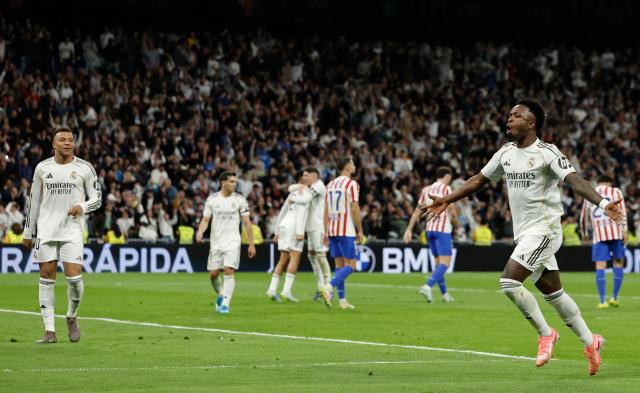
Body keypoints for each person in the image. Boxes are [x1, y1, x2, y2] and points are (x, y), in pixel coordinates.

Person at [420, 99, 623, 376]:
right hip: (525, 234)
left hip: (545, 230)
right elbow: (479, 179)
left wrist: (601, 203)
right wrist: (447, 199)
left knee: (508, 282)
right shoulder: (505, 153)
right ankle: (591, 342)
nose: (509, 119)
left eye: (516, 115)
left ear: (531, 123)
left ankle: (546, 334)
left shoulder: (547, 153)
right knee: (555, 295)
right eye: (509, 115)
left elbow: (574, 179)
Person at [23, 127, 102, 344]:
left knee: (74, 279)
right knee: (46, 277)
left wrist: (82, 206)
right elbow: (35, 201)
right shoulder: (42, 168)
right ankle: (49, 331)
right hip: (46, 230)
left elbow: (97, 198)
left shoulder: (85, 168)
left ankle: (71, 316)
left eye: (70, 140)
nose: (67, 143)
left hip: (72, 230)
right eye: (62, 140)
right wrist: (28, 232)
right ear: (53, 144)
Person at [196, 172, 256, 315]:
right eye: (232, 182)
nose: (235, 184)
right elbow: (205, 220)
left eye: (235, 182)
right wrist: (200, 232)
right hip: (216, 242)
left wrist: (251, 244)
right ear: (223, 183)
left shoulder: (240, 200)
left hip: (233, 242)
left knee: (229, 270)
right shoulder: (212, 199)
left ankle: (225, 304)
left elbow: (247, 223)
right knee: (213, 274)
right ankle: (221, 293)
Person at [404, 166, 458, 303]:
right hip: (442, 230)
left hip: (429, 230)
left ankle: (445, 294)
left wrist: (409, 229)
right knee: (445, 264)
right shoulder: (446, 188)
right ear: (447, 176)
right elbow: (451, 209)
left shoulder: (426, 190)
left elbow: (417, 211)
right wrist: (457, 224)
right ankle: (427, 286)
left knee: (438, 264)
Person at [320, 157, 364, 310]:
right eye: (352, 163)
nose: (354, 165)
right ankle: (328, 287)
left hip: (333, 229)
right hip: (346, 230)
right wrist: (360, 230)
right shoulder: (352, 184)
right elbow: (354, 208)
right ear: (345, 167)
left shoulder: (330, 184)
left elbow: (325, 210)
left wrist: (325, 230)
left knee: (339, 266)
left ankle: (342, 300)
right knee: (351, 265)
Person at [579, 175, 627, 308]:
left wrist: (584, 233)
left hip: (599, 234)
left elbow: (583, 216)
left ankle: (602, 301)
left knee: (600, 266)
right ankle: (615, 298)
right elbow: (622, 211)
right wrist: (625, 230)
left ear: (598, 182)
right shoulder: (616, 191)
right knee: (618, 262)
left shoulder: (590, 191)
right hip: (616, 232)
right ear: (609, 182)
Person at [266, 171, 311, 302]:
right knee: (295, 259)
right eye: (306, 177)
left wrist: (277, 231)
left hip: (284, 226)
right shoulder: (305, 192)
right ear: (301, 180)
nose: (308, 178)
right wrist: (300, 232)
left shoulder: (293, 192)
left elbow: (283, 211)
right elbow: (302, 211)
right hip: (294, 228)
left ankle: (272, 289)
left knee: (283, 259)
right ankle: (286, 291)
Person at [288, 167, 332, 301]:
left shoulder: (318, 186)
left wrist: (293, 199)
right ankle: (320, 288)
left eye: (306, 176)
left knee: (320, 256)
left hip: (318, 226)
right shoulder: (311, 186)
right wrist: (300, 186)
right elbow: (290, 188)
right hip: (311, 226)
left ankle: (328, 289)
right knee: (312, 256)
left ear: (314, 175)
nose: (304, 178)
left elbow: (306, 198)